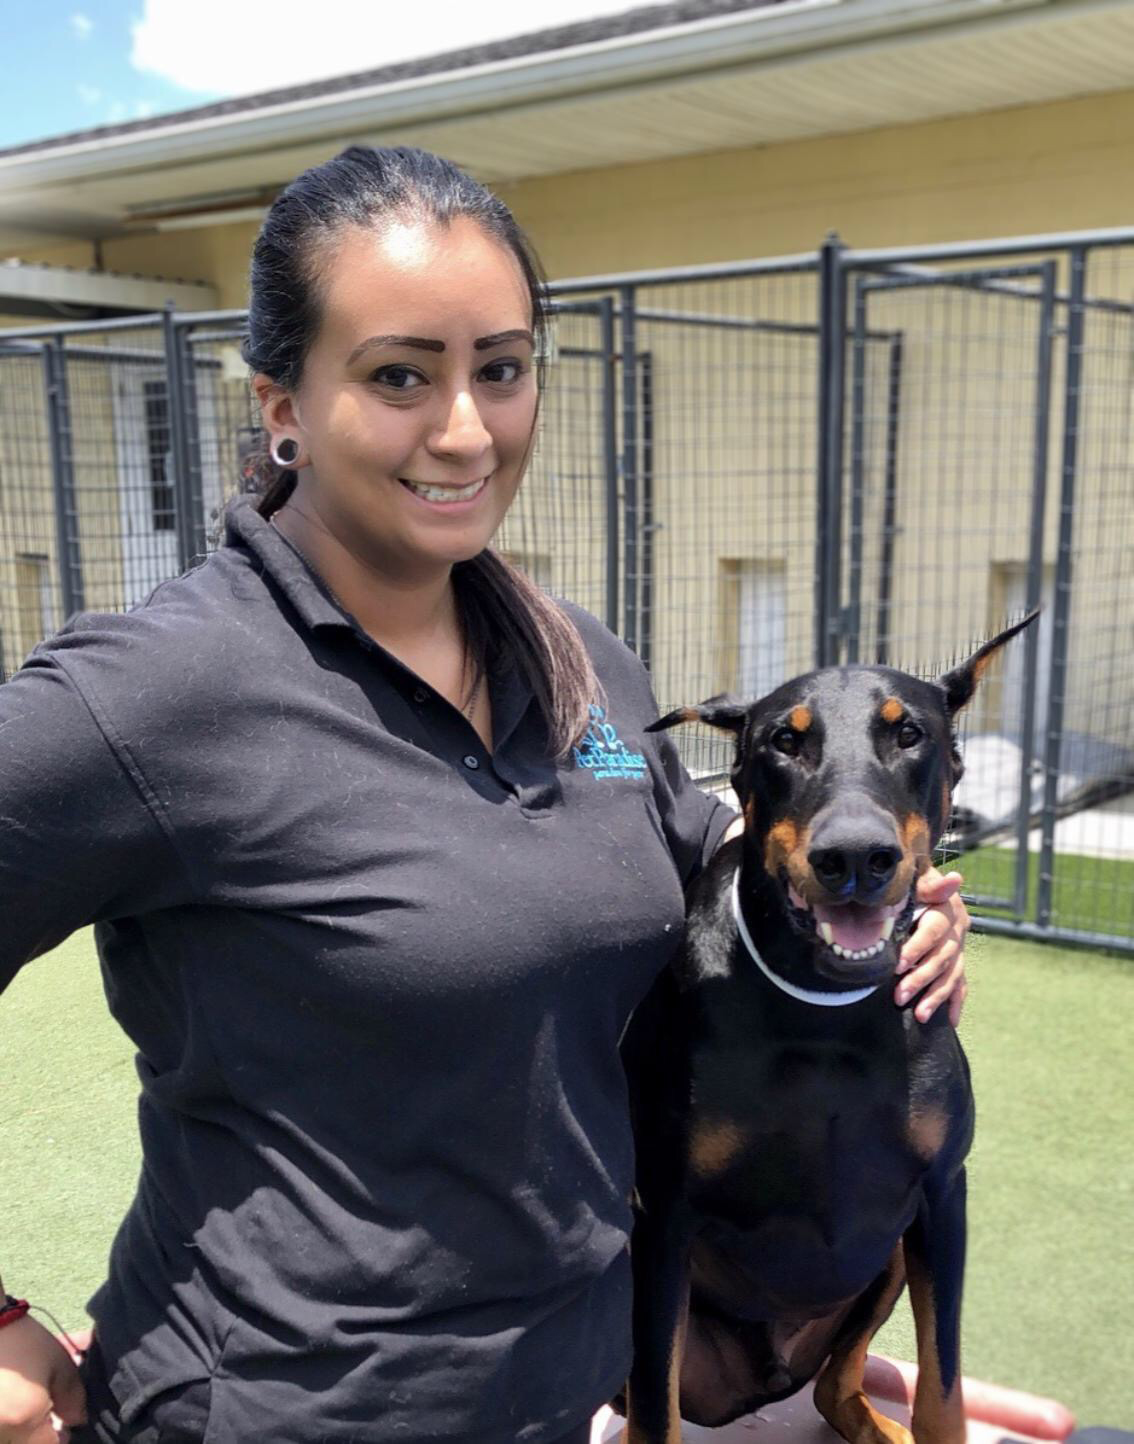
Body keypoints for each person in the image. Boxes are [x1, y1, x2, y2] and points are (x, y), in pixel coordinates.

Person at [0, 146, 969, 1444]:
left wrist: (887, 905)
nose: (464, 427)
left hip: (574, 1397)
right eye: (399, 374)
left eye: (499, 369)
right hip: (280, 1412)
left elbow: (720, 865)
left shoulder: (584, 664)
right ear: (280, 400)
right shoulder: (158, 693)